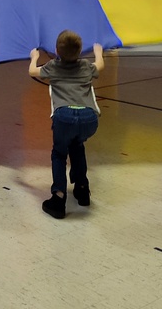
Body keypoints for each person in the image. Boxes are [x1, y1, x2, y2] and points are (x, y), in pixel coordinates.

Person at [29, 32, 104, 219]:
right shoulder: (86, 66)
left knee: (59, 154)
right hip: (89, 118)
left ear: (56, 51)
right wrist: (98, 53)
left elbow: (33, 71)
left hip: (64, 117)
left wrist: (34, 58)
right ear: (80, 51)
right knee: (77, 146)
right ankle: (82, 188)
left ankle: (58, 198)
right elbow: (100, 66)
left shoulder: (53, 66)